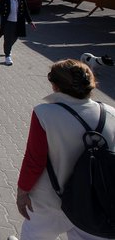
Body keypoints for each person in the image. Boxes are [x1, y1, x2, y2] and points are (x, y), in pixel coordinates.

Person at [10, 59, 115, 240]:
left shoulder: (44, 114)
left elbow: (34, 160)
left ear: (55, 86)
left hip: (49, 201)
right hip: (94, 203)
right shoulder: (111, 113)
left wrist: (22, 192)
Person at [0, 0, 35, 66]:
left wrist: (30, 21)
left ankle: (7, 48)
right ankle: (7, 56)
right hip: (8, 22)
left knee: (14, 38)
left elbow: (25, 11)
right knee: (8, 39)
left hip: (18, 22)